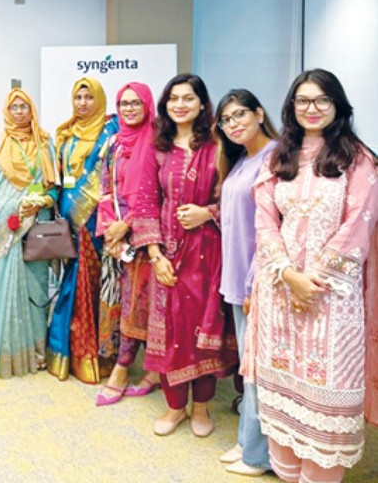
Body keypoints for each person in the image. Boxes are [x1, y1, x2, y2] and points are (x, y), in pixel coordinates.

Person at [246, 69, 378, 482]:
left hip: (331, 299)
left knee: (326, 401)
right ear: (291, 107)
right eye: (303, 100)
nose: (312, 108)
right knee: (282, 400)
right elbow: (265, 221)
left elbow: (358, 223)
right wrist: (288, 274)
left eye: (322, 100)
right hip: (279, 292)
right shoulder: (278, 158)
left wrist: (312, 281)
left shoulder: (357, 159)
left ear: (337, 105)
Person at [132, 74, 237, 437]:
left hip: (209, 254)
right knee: (170, 331)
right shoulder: (157, 147)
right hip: (168, 256)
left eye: (188, 98)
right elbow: (146, 201)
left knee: (204, 329)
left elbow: (237, 196)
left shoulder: (219, 144)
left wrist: (208, 213)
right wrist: (155, 254)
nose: (180, 105)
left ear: (202, 103)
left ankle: (202, 407)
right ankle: (175, 407)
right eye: (173, 98)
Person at [0, 88, 59, 378]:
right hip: (2, 226)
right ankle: (3, 353)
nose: (19, 112)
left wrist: (42, 202)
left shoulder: (45, 142)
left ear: (32, 109)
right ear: (6, 111)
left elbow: (54, 186)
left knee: (35, 288)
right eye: (14, 107)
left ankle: (37, 352)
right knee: (0, 288)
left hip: (36, 226)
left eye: (24, 106)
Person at [213, 89, 278, 477]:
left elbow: (272, 228)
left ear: (259, 113)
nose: (233, 124)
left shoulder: (274, 157)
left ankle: (259, 455)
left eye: (240, 115)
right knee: (248, 368)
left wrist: (254, 283)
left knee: (258, 372)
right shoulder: (242, 158)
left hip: (259, 282)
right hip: (237, 279)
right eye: (226, 120)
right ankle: (247, 441)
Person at [47, 77, 119, 383]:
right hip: (68, 216)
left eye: (89, 97)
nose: (83, 103)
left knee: (93, 283)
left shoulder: (110, 134)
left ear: (99, 99)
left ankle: (93, 352)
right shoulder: (65, 133)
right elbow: (59, 177)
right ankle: (66, 349)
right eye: (78, 97)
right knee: (71, 281)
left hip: (97, 219)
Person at [95, 82, 162, 406]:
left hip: (149, 237)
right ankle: (141, 368)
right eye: (124, 103)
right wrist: (111, 228)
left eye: (136, 103)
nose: (130, 108)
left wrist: (129, 224)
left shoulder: (159, 141)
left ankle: (128, 369)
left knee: (144, 305)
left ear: (147, 105)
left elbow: (160, 193)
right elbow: (104, 187)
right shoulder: (114, 143)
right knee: (121, 302)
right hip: (118, 238)